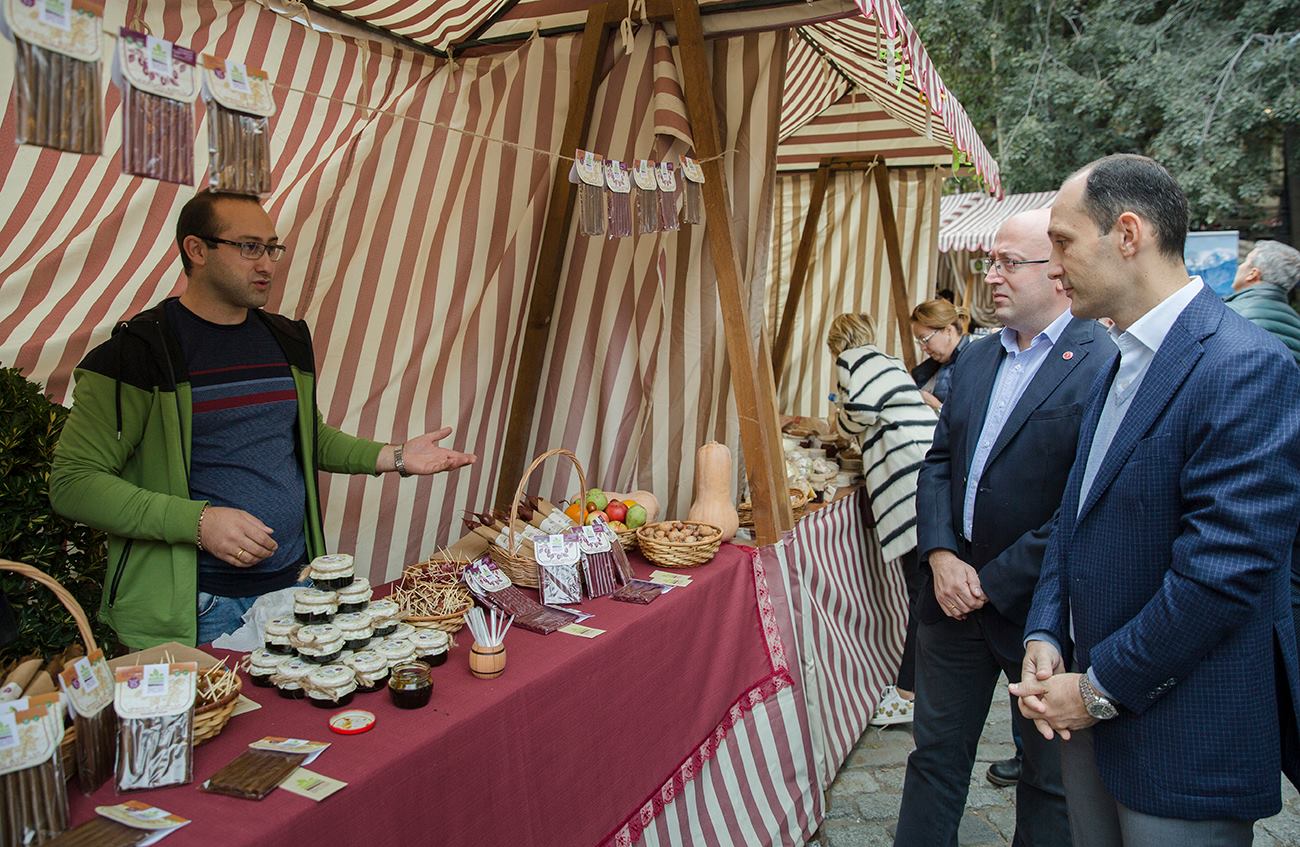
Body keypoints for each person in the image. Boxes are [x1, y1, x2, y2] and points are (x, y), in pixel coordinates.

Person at [1012, 154, 1300, 846]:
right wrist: (1045, 630)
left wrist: (1097, 689)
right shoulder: (1115, 357)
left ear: (1128, 234)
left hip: (1183, 743)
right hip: (1092, 725)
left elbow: (1221, 574)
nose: (1054, 267)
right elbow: (1075, 517)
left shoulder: (1244, 364)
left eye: (1063, 243)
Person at [49, 191, 477, 649]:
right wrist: (198, 522)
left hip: (297, 588)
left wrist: (396, 456)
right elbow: (74, 484)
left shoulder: (284, 339)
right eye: (250, 247)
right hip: (199, 605)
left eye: (273, 249)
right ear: (197, 250)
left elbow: (306, 438)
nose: (267, 264)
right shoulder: (136, 354)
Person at [894, 208, 1113, 847]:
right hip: (949, 599)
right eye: (990, 261)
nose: (991, 276)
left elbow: (1083, 503)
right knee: (933, 758)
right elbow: (940, 463)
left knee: (1048, 780)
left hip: (1039, 610)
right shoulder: (979, 356)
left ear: (1058, 271)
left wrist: (991, 580)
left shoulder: (1103, 361)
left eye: (1009, 263)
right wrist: (940, 554)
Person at [828, 313, 937, 727]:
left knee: (919, 590)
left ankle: (908, 692)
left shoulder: (852, 360)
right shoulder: (888, 360)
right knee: (926, 585)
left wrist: (841, 421)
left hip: (906, 477)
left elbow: (859, 410)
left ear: (837, 343)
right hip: (925, 464)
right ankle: (925, 681)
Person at [1225, 239, 1300, 363]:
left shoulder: (1229, 315)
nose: (1239, 266)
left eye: (1245, 262)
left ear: (1253, 274)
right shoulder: (1295, 322)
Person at [909, 298, 972, 410]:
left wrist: (938, 407)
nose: (923, 348)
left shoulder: (974, 361)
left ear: (948, 330)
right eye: (919, 342)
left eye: (925, 339)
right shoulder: (935, 364)